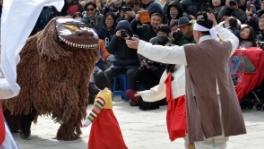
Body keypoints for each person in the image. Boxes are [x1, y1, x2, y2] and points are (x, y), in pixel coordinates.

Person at [126, 13, 246, 148]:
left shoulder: (191, 51)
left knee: (204, 142)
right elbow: (233, 38)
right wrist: (217, 26)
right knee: (220, 141)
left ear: (196, 33)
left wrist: (140, 45)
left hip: (202, 100)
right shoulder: (225, 48)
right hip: (225, 99)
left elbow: (164, 53)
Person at [82, 71, 128, 149]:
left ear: (97, 85)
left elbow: (95, 111)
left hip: (102, 120)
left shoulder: (100, 98)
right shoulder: (107, 92)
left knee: (100, 137)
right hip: (110, 117)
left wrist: (87, 121)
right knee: (111, 136)